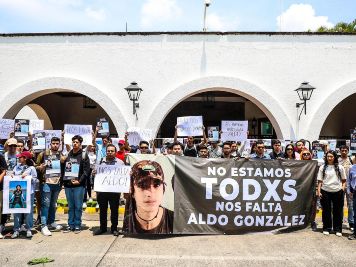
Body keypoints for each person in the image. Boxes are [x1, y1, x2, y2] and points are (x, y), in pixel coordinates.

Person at [123, 160, 173, 234]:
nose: (151, 192)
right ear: (132, 191)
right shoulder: (128, 221)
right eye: (142, 186)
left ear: (163, 189)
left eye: (157, 185)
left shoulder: (175, 220)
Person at [93, 144, 124, 236]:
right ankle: (102, 228)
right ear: (106, 152)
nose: (110, 153)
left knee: (114, 210)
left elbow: (123, 176)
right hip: (102, 191)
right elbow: (94, 173)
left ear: (115, 152)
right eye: (108, 151)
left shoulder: (120, 163)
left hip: (114, 191)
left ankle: (114, 228)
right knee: (102, 210)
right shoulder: (100, 162)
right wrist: (94, 172)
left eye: (112, 151)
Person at [61, 135, 90, 233]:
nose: (75, 144)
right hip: (68, 185)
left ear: (80, 144)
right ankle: (70, 225)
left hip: (79, 186)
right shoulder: (68, 155)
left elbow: (86, 171)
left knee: (78, 206)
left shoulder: (84, 155)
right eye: (73, 142)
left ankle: (77, 225)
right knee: (71, 206)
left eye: (77, 142)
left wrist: (80, 181)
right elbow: (64, 168)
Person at [36, 136, 63, 236]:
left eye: (57, 143)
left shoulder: (61, 155)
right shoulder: (43, 154)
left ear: (59, 145)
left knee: (53, 204)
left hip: (57, 183)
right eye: (53, 143)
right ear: (50, 144)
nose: (55, 145)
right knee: (45, 205)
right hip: (46, 183)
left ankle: (51, 222)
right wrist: (41, 167)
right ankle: (43, 225)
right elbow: (35, 166)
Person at [317, 150, 346, 236]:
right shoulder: (322, 167)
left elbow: (344, 180)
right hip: (325, 191)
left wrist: (342, 189)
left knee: (338, 211)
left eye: (331, 156)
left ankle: (338, 229)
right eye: (328, 156)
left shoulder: (340, 167)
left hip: (337, 191)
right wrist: (319, 190)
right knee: (326, 211)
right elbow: (320, 180)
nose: (330, 158)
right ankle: (327, 228)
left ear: (334, 157)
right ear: (326, 157)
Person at [11, 151, 38, 238]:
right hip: (17, 193)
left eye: (20, 157)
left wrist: (27, 177)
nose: (18, 158)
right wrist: (11, 174)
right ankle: (16, 229)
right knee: (16, 211)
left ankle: (28, 228)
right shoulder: (16, 167)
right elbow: (13, 175)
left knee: (28, 211)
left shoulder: (31, 168)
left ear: (25, 158)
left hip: (29, 193)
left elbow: (35, 180)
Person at [338, 145, 354, 231]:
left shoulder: (351, 160)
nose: (344, 152)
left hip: (350, 186)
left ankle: (351, 222)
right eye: (342, 150)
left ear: (348, 151)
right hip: (339, 186)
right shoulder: (337, 160)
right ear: (340, 151)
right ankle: (339, 221)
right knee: (339, 205)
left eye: (345, 150)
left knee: (350, 205)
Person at [347, 158, 356, 240]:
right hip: (355, 193)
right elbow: (349, 181)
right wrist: (349, 191)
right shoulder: (352, 168)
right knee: (355, 213)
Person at [0, 153, 7, 238]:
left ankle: (1, 225)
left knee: (1, 207)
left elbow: (4, 171)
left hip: (0, 187)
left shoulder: (1, 157)